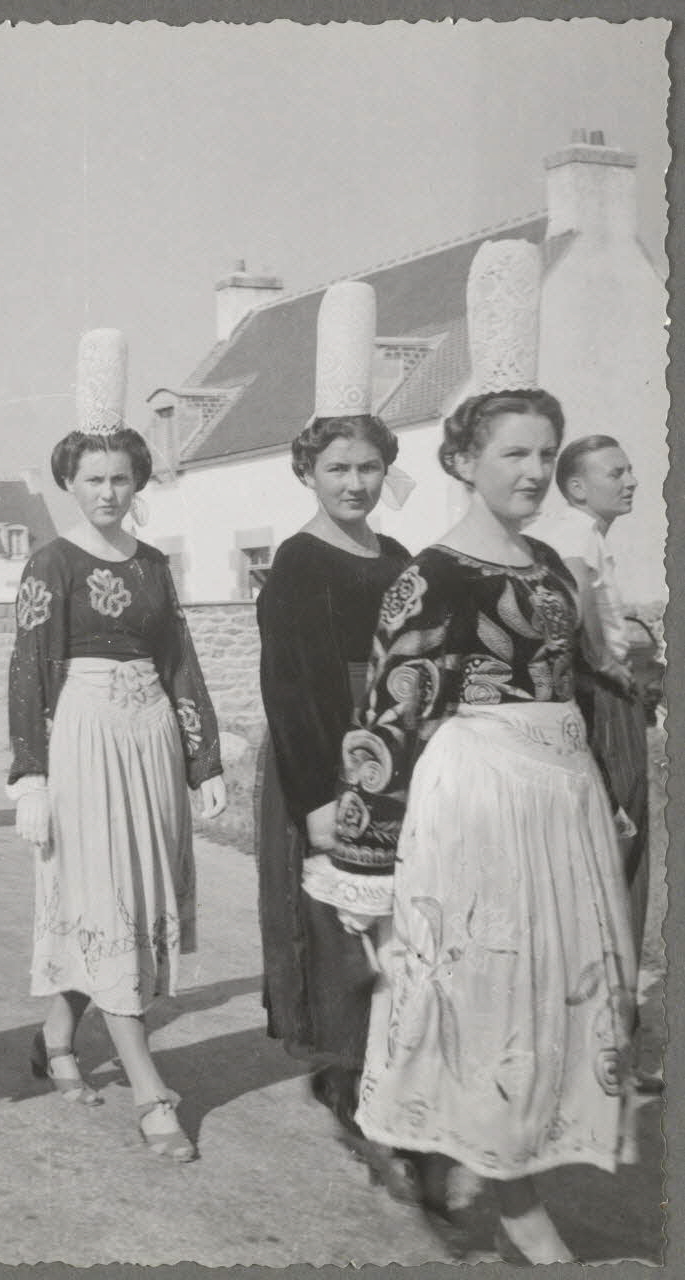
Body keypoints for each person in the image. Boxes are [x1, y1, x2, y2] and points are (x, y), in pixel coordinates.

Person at [314, 387, 637, 1263]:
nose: (535, 472)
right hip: (477, 807)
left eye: (544, 454)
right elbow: (387, 728)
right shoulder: (429, 578)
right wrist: (366, 870)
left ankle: (487, 1155)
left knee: (553, 996)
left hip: (557, 800)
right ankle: (519, 1209)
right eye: (513, 456)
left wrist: (596, 787)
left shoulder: (548, 567)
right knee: (489, 996)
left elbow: (568, 688)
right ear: (462, 462)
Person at [8, 328, 226, 1162]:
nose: (106, 491)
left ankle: (58, 1037)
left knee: (128, 901)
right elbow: (29, 669)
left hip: (151, 741)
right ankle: (150, 1092)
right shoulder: (51, 563)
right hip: (87, 737)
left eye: (119, 478)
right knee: (105, 901)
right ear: (69, 481)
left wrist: (201, 759)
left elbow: (178, 659)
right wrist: (29, 775)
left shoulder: (153, 564)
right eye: (92, 478)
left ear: (137, 482)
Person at [254, 282, 413, 1193]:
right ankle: (348, 1088)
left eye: (365, 470)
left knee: (395, 926)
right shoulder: (298, 564)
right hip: (326, 765)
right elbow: (293, 690)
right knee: (336, 929)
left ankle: (392, 1081)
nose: (352, 484)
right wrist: (319, 797)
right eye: (336, 470)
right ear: (307, 475)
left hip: (389, 763)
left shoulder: (394, 560)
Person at [525, 437, 650, 963]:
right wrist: (609, 663)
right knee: (619, 842)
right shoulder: (578, 530)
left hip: (569, 700)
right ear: (577, 487)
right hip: (602, 701)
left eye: (629, 470)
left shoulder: (558, 529)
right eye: (615, 473)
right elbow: (574, 606)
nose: (631, 481)